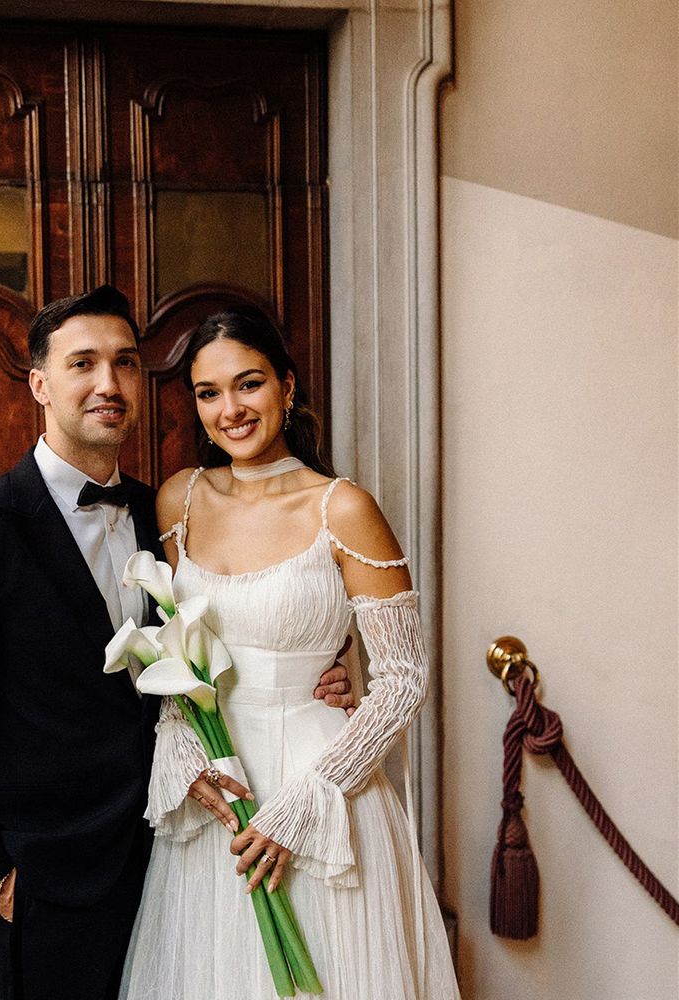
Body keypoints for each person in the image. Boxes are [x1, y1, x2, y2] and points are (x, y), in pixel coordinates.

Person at [0, 285, 356, 1000]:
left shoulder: (164, 508)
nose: (109, 384)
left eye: (127, 363)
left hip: (183, 855)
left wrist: (332, 666)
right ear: (40, 383)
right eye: (84, 364)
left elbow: (229, 632)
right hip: (55, 883)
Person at [119, 308, 461, 999]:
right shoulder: (177, 500)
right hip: (217, 793)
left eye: (248, 384)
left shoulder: (343, 507)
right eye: (209, 392)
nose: (230, 410)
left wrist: (311, 797)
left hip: (321, 786)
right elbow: (181, 651)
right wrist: (180, 737)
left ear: (288, 387)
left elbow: (403, 678)